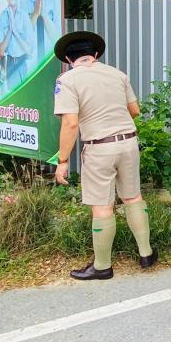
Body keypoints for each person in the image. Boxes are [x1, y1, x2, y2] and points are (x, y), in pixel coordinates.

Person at [53, 30, 156, 280]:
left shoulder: (67, 80)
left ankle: (102, 267)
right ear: (96, 54)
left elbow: (70, 123)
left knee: (102, 207)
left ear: (68, 59)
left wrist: (62, 161)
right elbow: (135, 110)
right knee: (133, 198)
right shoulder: (117, 74)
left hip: (99, 148)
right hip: (128, 143)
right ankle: (146, 254)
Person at [0, 0, 35, 87]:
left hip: (22, 63)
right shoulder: (3, 17)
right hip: (10, 64)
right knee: (12, 94)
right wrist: (10, 30)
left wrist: (16, 32)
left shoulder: (24, 17)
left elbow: (29, 50)